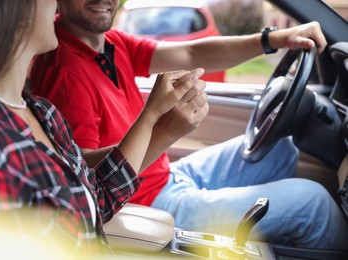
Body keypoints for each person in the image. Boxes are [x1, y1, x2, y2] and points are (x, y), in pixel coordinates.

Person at [29, 0, 348, 250]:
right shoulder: (64, 70)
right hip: (144, 203)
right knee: (314, 203)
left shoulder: (110, 42)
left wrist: (274, 39)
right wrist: (165, 129)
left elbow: (192, 51)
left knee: (280, 147)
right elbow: (81, 171)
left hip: (167, 175)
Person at [0, 0, 206, 254]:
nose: (55, 4)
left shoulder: (43, 113)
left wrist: (162, 123)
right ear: (16, 10)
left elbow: (97, 199)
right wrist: (155, 119)